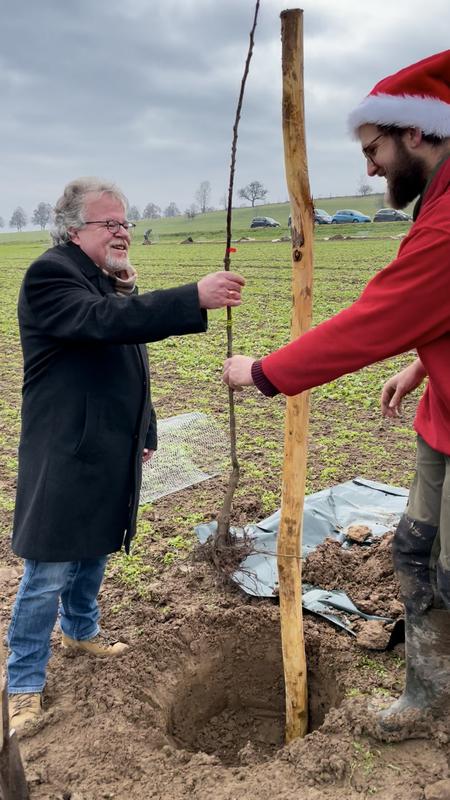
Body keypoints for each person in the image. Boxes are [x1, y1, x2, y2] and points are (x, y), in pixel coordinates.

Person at [223, 50, 450, 735]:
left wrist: (263, 373)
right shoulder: (438, 198)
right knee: (414, 546)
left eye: (372, 148)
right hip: (442, 417)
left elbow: (373, 320)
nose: (370, 167)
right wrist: (423, 366)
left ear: (416, 132)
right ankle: (426, 698)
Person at [8, 176, 245, 735]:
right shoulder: (51, 274)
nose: (122, 231)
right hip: (66, 445)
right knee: (49, 565)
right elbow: (103, 325)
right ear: (72, 229)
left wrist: (147, 429)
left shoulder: (104, 278)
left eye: (125, 222)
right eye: (108, 223)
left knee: (96, 543)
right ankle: (21, 683)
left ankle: (82, 632)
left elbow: (128, 360)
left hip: (110, 439)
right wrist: (192, 298)